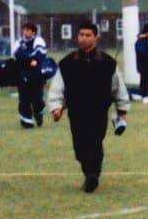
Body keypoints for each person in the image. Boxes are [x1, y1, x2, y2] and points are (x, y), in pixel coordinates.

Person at [47, 24, 128, 193]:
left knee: (95, 142)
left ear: (96, 37)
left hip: (98, 111)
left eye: (88, 35)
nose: (84, 38)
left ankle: (93, 175)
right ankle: (88, 172)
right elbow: (57, 87)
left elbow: (118, 87)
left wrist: (122, 110)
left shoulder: (108, 63)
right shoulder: (67, 63)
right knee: (80, 147)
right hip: (76, 112)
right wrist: (56, 107)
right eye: (81, 34)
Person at [12, 25, 53, 128]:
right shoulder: (19, 42)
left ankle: (39, 113)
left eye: (28, 31)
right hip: (22, 74)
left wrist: (32, 60)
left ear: (33, 32)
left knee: (37, 98)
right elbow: (17, 55)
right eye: (24, 30)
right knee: (24, 99)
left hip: (37, 74)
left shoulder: (39, 41)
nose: (25, 32)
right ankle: (26, 121)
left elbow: (40, 55)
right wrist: (30, 60)